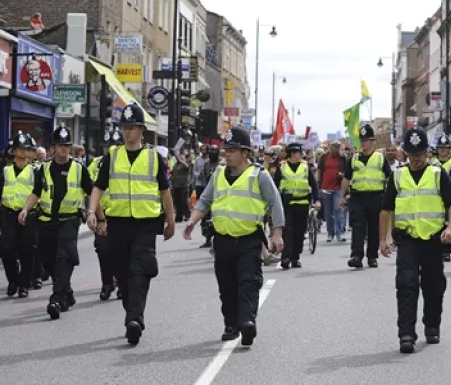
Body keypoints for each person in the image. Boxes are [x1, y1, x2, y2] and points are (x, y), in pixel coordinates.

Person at [183, 126, 285, 345]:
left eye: (232, 150)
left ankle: (248, 322)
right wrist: (193, 220)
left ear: (245, 153)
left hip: (249, 239)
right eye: (225, 150)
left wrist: (277, 233)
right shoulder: (218, 173)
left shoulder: (259, 175)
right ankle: (231, 324)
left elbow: (275, 204)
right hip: (223, 240)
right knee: (227, 286)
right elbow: (205, 200)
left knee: (248, 282)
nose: (226, 154)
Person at [87, 103, 176, 345]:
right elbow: (98, 187)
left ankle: (134, 319)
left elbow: (164, 191)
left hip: (145, 224)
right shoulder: (112, 157)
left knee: (139, 271)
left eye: (132, 128)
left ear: (141, 130)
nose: (127, 132)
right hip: (118, 224)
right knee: (122, 273)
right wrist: (92, 212)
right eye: (124, 128)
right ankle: (132, 312)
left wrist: (170, 219)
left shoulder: (153, 157)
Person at [379, 127, 451, 354]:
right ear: (405, 152)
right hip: (408, 241)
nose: (416, 158)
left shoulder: (437, 174)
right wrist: (382, 239)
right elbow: (386, 209)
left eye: (420, 154)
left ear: (427, 153)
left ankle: (432, 326)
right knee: (406, 284)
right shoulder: (397, 176)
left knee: (434, 287)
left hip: (433, 240)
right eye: (412, 154)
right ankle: (406, 334)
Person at [18, 126, 97, 319]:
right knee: (47, 259)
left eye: (67, 145)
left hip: (69, 220)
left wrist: (96, 215)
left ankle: (57, 298)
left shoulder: (79, 169)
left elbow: (92, 193)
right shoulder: (43, 168)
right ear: (52, 148)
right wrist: (26, 209)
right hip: (46, 221)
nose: (64, 149)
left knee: (64, 257)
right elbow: (36, 192)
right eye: (60, 145)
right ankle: (67, 292)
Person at [339, 124, 392, 269]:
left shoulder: (380, 158)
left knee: (374, 228)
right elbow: (346, 178)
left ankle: (372, 257)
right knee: (358, 226)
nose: (364, 143)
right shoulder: (354, 158)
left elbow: (390, 177)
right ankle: (356, 256)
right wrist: (342, 197)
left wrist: (391, 197)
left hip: (376, 197)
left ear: (373, 141)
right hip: (357, 197)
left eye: (367, 140)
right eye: (362, 140)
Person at [0, 131, 37, 297]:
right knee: (6, 250)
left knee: (27, 251)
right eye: (19, 148)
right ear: (13, 151)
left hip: (28, 215)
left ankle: (24, 284)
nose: (23, 152)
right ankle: (13, 280)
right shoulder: (6, 171)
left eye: (26, 149)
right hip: (8, 215)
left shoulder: (35, 171)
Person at [273, 142, 320, 269]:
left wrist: (317, 200)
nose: (301, 155)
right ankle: (286, 257)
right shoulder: (282, 167)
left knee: (299, 232)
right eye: (299, 153)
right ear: (292, 154)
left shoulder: (305, 167)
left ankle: (295, 258)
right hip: (286, 204)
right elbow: (274, 187)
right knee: (287, 231)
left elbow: (314, 185)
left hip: (302, 204)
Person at [89, 125, 124, 300]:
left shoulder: (127, 164)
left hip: (121, 214)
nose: (111, 149)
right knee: (103, 250)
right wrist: (91, 212)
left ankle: (121, 282)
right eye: (108, 145)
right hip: (101, 213)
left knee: (120, 251)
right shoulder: (95, 164)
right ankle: (107, 283)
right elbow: (89, 189)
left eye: (115, 145)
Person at [430, 134, 451, 261]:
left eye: (445, 148)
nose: (443, 151)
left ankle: (447, 250)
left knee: (447, 223)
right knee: (436, 223)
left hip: (448, 197)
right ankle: (437, 248)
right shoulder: (432, 164)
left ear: (450, 150)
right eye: (441, 148)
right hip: (435, 197)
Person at [317, 140, 347, 243]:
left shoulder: (343, 158)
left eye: (338, 147)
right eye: (335, 147)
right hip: (325, 187)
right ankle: (330, 233)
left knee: (338, 209)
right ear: (330, 147)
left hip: (338, 187)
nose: (336, 149)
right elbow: (320, 170)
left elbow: (347, 173)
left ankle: (340, 233)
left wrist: (342, 175)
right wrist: (318, 182)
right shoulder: (324, 157)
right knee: (328, 212)